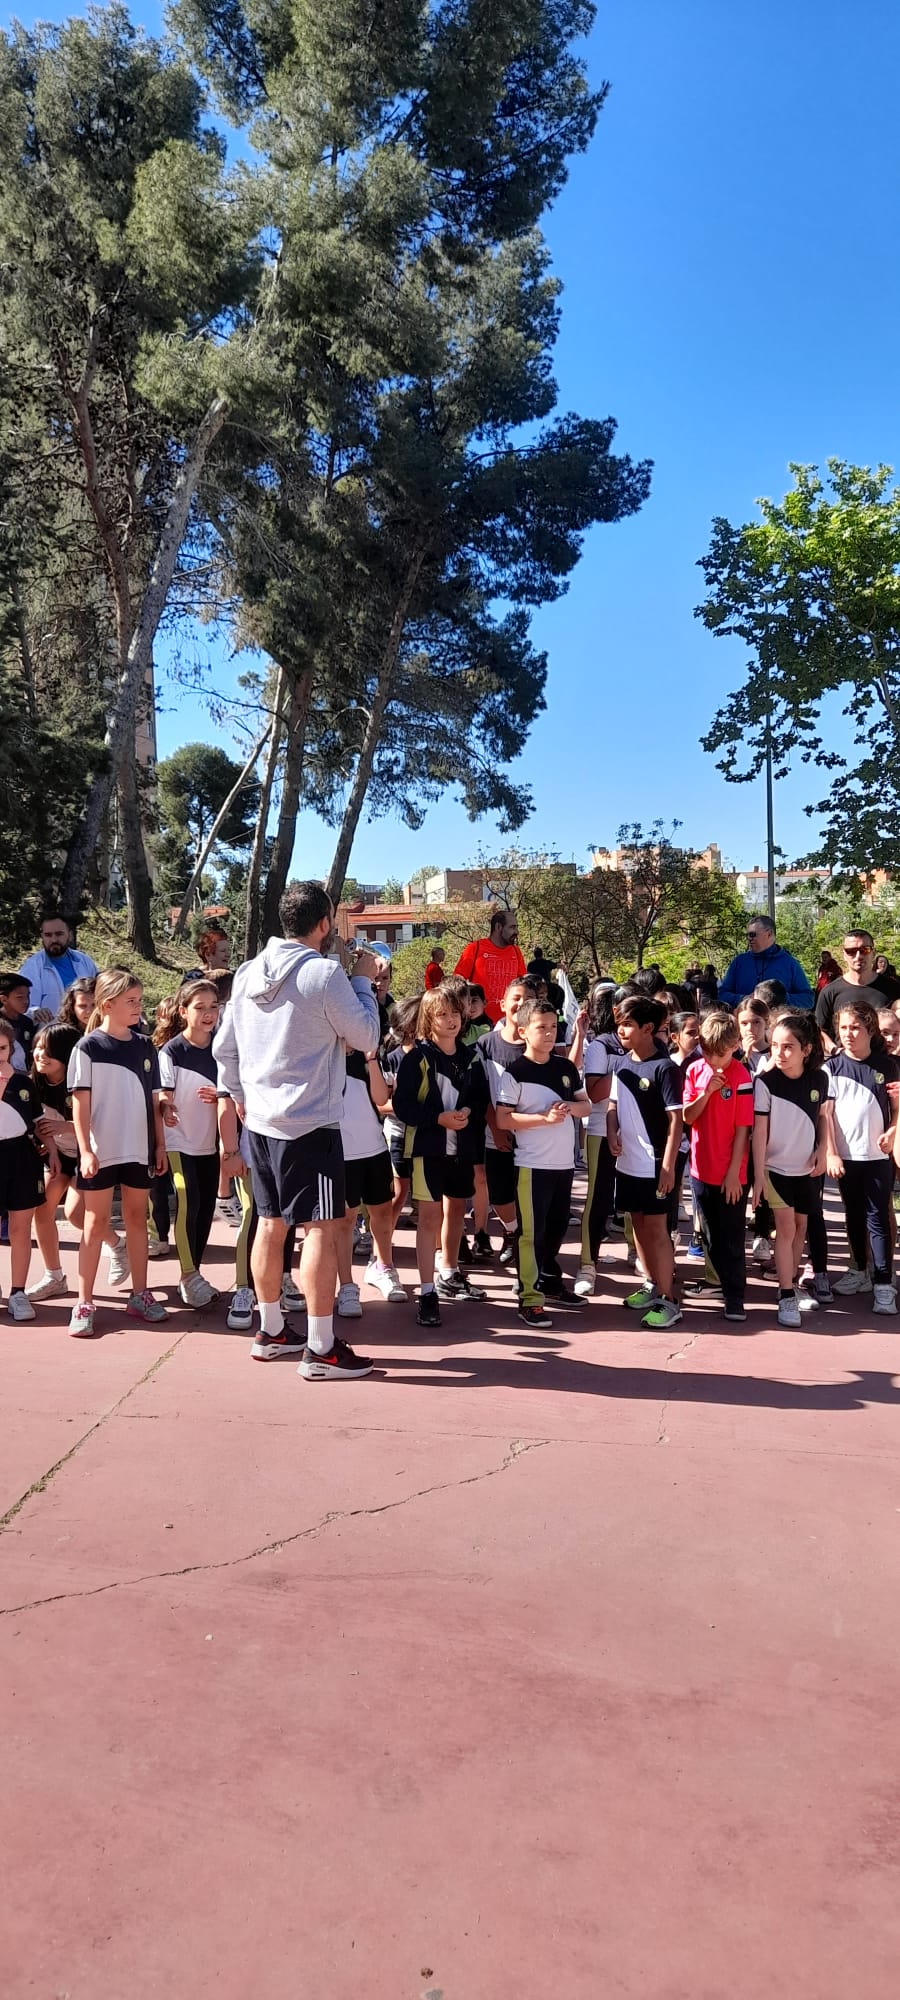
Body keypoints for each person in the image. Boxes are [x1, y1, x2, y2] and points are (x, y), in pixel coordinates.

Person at [213, 879, 381, 1378]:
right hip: (311, 1124)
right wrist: (363, 982)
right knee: (322, 1230)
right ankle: (321, 1347)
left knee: (270, 1224)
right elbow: (366, 1036)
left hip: (261, 1122)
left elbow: (224, 1048)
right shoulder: (325, 974)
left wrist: (240, 1098)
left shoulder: (247, 972)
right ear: (325, 924)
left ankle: (270, 1331)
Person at [66, 970, 168, 1336]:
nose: (139, 1007)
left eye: (139, 1000)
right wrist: (85, 1151)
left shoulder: (145, 1046)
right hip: (101, 1150)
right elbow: (80, 1104)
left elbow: (155, 1100)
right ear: (107, 1005)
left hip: (138, 1149)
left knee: (137, 1218)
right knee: (94, 1224)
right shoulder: (87, 1047)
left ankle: (140, 1295)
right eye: (131, 1001)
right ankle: (84, 1302)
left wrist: (159, 1144)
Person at [393, 985, 488, 1325]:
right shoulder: (417, 1058)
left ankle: (449, 1271)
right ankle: (427, 1291)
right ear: (428, 1020)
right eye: (442, 1015)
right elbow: (403, 1106)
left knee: (457, 1209)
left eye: (455, 1013)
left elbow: (480, 1098)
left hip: (461, 1149)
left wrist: (467, 1112)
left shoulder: (471, 1057)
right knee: (429, 1217)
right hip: (427, 1150)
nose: (451, 1020)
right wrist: (438, 1118)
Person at [496, 997, 589, 1326]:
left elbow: (585, 1105)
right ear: (523, 1031)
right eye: (541, 1027)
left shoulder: (565, 1068)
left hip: (564, 1165)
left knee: (557, 1227)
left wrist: (570, 1109)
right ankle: (529, 1298)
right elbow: (504, 1119)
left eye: (553, 1027)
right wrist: (542, 1118)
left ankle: (549, 1281)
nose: (549, 1033)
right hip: (532, 1166)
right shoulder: (515, 1073)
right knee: (530, 1233)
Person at [607, 993, 685, 1330]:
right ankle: (651, 1283)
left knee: (657, 1229)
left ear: (648, 1028)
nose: (621, 1031)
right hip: (628, 1164)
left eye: (628, 1024)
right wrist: (611, 1130)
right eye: (619, 1024)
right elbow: (613, 1104)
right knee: (637, 1223)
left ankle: (669, 1300)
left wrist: (667, 1167)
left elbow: (676, 1121)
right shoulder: (621, 1063)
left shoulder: (665, 1068)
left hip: (655, 1164)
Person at [751, 1013, 828, 1329]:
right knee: (785, 1229)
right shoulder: (765, 1083)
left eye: (788, 1047)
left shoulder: (819, 1080)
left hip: (806, 1170)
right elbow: (759, 1133)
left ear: (805, 1049)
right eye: (775, 1046)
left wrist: (823, 1149)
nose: (779, 1053)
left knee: (800, 1227)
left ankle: (792, 1284)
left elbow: (823, 1117)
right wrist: (759, 1175)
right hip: (775, 1169)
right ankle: (785, 1296)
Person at [822, 1000, 898, 1313]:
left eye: (855, 1027)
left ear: (869, 1030)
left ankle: (884, 1283)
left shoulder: (887, 1066)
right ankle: (859, 1272)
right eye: (843, 1027)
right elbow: (825, 1116)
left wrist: (892, 1131)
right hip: (846, 1157)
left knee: (878, 1217)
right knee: (853, 1214)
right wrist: (831, 1152)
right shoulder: (831, 1068)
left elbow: (896, 1110)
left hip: (877, 1157)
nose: (848, 1033)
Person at [682, 1009, 754, 1322]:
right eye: (708, 1052)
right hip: (700, 1168)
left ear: (735, 1046)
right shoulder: (695, 1070)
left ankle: (735, 1296)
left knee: (733, 1236)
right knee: (709, 1235)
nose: (713, 1059)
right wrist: (707, 1091)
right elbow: (688, 1116)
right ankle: (721, 1284)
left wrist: (734, 1174)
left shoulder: (742, 1076)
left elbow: (743, 1129)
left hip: (731, 1172)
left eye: (720, 1054)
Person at [156, 980, 223, 1310]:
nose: (208, 1013)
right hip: (178, 1143)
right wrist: (166, 1108)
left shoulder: (223, 1048)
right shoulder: (171, 1051)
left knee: (206, 1209)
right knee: (189, 1202)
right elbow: (163, 1095)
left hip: (210, 1144)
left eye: (213, 1006)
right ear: (183, 1012)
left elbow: (234, 1091)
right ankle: (188, 1274)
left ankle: (193, 1273)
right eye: (200, 1007)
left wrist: (222, 1096)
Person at [336, 1045, 407, 1313]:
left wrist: (372, 1059)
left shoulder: (369, 1057)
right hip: (340, 1153)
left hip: (375, 1149)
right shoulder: (323, 1051)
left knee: (383, 1213)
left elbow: (380, 1098)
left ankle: (383, 1267)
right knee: (345, 1220)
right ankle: (346, 1286)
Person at [476, 978, 533, 1271]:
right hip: (495, 1135)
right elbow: (480, 1091)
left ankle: (527, 1246)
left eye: (528, 999)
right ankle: (512, 1231)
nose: (521, 1004)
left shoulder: (537, 1045)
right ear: (502, 1004)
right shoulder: (486, 1044)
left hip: (532, 1138)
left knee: (528, 1196)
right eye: (516, 998)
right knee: (499, 1194)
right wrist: (497, 1129)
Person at [0, 1014, 47, 1319]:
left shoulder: (23, 1082)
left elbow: (38, 1123)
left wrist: (51, 1151)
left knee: (20, 1227)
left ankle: (18, 1292)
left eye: (2, 1049)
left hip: (20, 1155)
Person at [815, 931, 900, 1049]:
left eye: (865, 950)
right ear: (844, 955)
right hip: (845, 1058)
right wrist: (834, 1050)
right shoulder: (830, 992)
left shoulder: (893, 988)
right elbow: (818, 1030)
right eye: (851, 951)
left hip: (885, 1058)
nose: (858, 956)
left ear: (873, 953)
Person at [719, 916, 813, 1011]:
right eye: (747, 935)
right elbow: (721, 995)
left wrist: (779, 999)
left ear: (769, 934)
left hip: (776, 1019)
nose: (749, 938)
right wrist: (743, 999)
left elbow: (808, 1000)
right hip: (745, 1019)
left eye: (752, 934)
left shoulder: (789, 963)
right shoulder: (739, 962)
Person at [454, 908, 526, 1024]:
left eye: (516, 927)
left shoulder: (516, 951)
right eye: (512, 927)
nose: (516, 932)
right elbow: (457, 982)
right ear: (498, 927)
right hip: (478, 1023)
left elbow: (523, 984)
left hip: (508, 1022)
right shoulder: (475, 948)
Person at [18, 915, 98, 1016]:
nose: (54, 940)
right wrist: (35, 1012)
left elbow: (99, 995)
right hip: (50, 1025)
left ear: (70, 935)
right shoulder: (32, 967)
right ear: (42, 937)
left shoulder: (84, 961)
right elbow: (25, 1007)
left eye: (59, 934)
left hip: (86, 1024)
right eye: (48, 935)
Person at [0, 974, 37, 1071]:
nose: (26, 1001)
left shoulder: (27, 1022)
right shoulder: (1, 1024)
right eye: (20, 997)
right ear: (4, 999)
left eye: (27, 996)